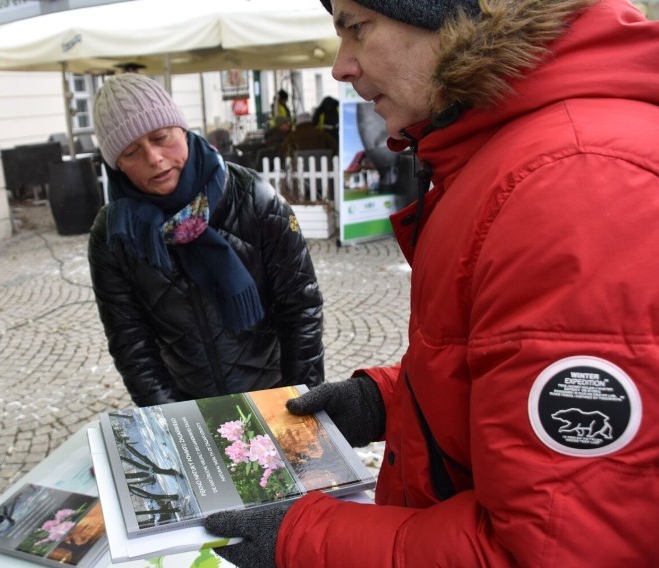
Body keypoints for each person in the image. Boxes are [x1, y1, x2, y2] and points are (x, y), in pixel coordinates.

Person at [205, 0, 659, 566]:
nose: (340, 66)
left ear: (449, 17)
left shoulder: (572, 182)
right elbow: (501, 374)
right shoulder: (511, 155)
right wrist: (385, 401)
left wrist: (308, 540)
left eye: (355, 28)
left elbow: (553, 549)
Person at [88, 73, 325, 407]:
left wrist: (301, 403)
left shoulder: (253, 198)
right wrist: (175, 420)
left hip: (274, 392)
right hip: (188, 406)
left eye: (160, 137)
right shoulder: (113, 235)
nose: (154, 158)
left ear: (182, 130)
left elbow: (300, 308)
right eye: (131, 152)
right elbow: (132, 345)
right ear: (117, 167)